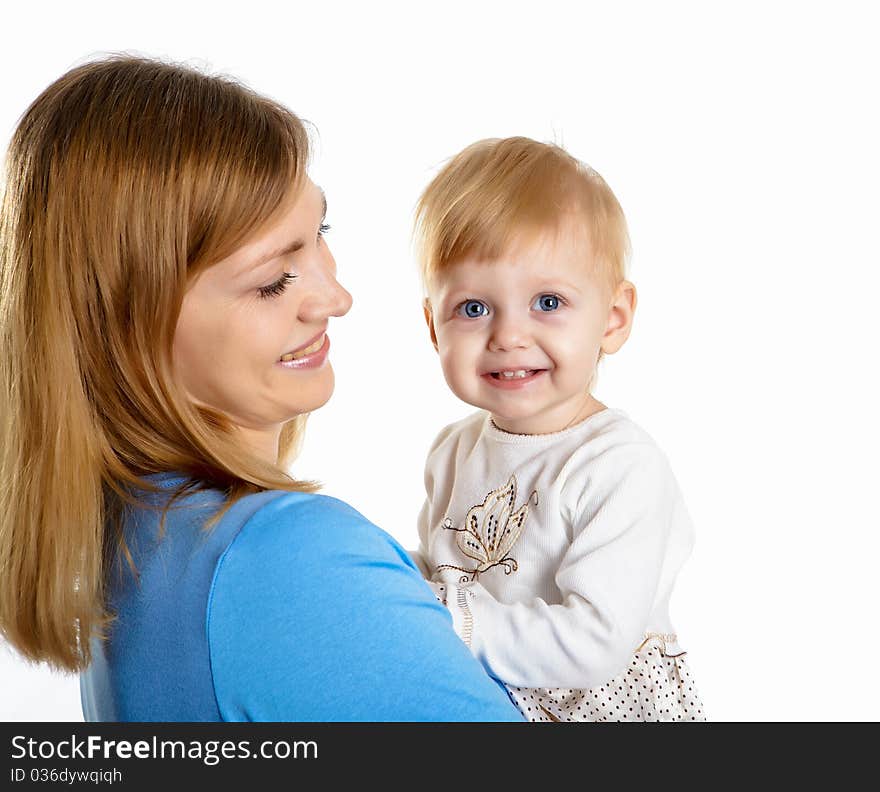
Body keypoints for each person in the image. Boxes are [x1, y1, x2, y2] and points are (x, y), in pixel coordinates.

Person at [0, 55, 524, 722]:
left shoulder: (134, 540)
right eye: (273, 280)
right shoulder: (286, 562)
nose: (335, 298)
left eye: (320, 235)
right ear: (128, 329)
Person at [411, 137, 706, 721]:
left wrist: (454, 622)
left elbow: (595, 644)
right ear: (432, 325)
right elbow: (438, 574)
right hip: (491, 696)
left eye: (547, 301)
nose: (508, 336)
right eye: (473, 308)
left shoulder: (618, 465)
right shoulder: (453, 451)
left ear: (613, 320)